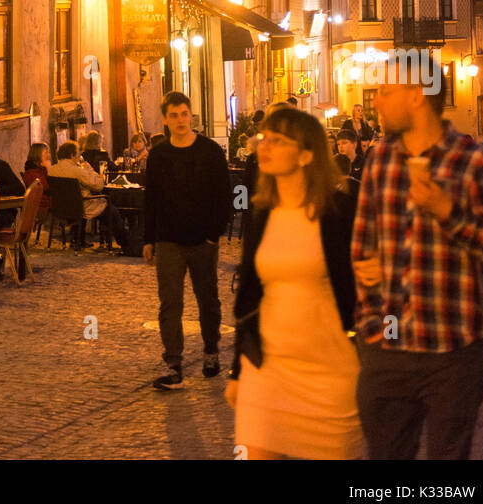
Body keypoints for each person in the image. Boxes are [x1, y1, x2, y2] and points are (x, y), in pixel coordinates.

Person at [352, 61, 483, 460]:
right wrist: (371, 327)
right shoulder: (380, 160)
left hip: (452, 350)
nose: (375, 101)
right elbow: (362, 247)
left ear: (416, 97)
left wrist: (449, 213)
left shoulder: (472, 162)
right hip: (387, 349)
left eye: (385, 92)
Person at [226, 106, 362, 459]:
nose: (265, 146)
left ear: (306, 154)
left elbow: (360, 285)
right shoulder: (261, 212)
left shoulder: (338, 212)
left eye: (278, 140)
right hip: (266, 368)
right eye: (263, 138)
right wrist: (237, 370)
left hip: (327, 369)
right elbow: (249, 295)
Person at [143, 91, 232, 390]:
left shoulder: (209, 151)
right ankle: (174, 364)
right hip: (169, 240)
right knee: (170, 303)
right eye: (174, 115)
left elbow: (224, 195)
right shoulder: (159, 155)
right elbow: (151, 199)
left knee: (207, 300)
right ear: (165, 120)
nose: (180, 120)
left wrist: (213, 235)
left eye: (184, 114)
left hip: (202, 241)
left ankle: (210, 351)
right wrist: (148, 238)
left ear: (191, 115)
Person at [48, 141, 128, 252]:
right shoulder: (77, 171)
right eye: (78, 153)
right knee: (111, 209)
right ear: (72, 155)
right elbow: (98, 186)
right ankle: (125, 243)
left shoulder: (51, 170)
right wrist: (89, 169)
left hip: (61, 208)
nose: (79, 156)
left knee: (87, 201)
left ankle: (77, 239)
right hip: (81, 207)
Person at [22, 142, 52, 210]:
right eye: (46, 152)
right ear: (37, 154)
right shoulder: (31, 172)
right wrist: (49, 170)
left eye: (49, 152)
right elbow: (47, 188)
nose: (48, 155)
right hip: (42, 208)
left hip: (49, 204)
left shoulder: (41, 170)